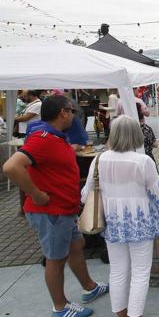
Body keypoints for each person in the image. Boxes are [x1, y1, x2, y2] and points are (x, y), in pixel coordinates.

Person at [3, 95, 108, 317]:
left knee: (76, 245)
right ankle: (59, 307)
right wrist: (36, 194)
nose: (74, 115)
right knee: (56, 258)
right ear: (63, 112)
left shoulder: (56, 136)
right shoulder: (42, 138)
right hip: (52, 212)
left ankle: (89, 286)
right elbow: (11, 167)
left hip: (64, 210)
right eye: (72, 111)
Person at [82, 115, 159, 317]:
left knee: (118, 271)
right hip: (140, 223)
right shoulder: (142, 161)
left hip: (112, 223)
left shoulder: (99, 159)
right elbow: (158, 193)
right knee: (140, 272)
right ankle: (134, 315)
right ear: (135, 134)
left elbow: (86, 195)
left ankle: (120, 314)